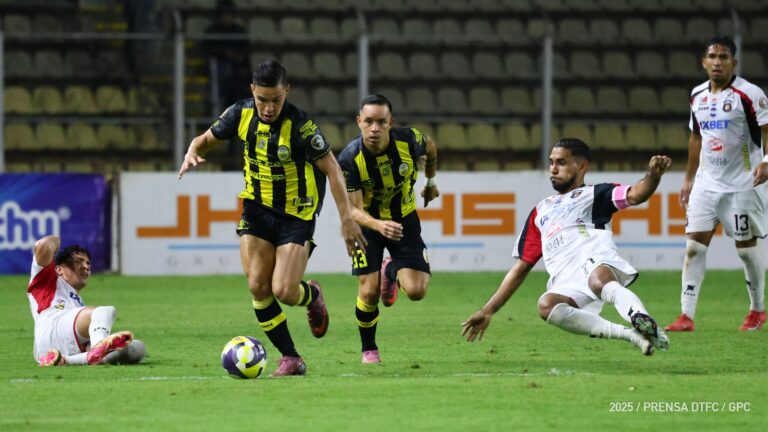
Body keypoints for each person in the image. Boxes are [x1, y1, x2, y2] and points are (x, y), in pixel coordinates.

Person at [178, 60, 366, 376]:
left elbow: (333, 169)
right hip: (257, 208)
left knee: (285, 291)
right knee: (257, 285)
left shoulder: (302, 126)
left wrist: (346, 219)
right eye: (262, 99)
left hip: (297, 214)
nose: (268, 107)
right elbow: (205, 139)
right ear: (253, 91)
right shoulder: (240, 113)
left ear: (286, 92)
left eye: (275, 100)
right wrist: (192, 150)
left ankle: (313, 295)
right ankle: (291, 357)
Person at [462, 139, 671, 356]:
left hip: (594, 258)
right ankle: (630, 335)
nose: (553, 169)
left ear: (582, 166)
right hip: (566, 277)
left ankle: (641, 318)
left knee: (599, 281)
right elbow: (521, 267)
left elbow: (636, 194)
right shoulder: (540, 211)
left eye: (561, 162)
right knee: (546, 305)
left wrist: (653, 175)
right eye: (551, 162)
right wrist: (488, 310)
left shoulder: (597, 194)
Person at [666, 35, 768, 332]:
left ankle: (758, 310)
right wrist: (688, 178)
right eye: (712, 56)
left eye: (723, 57)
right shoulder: (697, 95)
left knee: (746, 250)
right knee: (694, 247)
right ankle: (686, 315)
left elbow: (766, 130)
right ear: (703, 62)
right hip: (706, 183)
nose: (717, 62)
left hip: (743, 182)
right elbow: (696, 137)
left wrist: (766, 161)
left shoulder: (749, 94)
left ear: (733, 63)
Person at [337, 94, 439, 364]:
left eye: (381, 122)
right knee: (368, 291)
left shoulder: (408, 140)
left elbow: (430, 147)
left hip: (404, 220)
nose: (374, 128)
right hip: (367, 226)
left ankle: (391, 270)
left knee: (417, 291)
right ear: (359, 122)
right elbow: (352, 209)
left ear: (390, 122)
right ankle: (368, 349)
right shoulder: (349, 159)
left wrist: (430, 181)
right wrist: (378, 225)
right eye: (368, 121)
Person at [28, 236, 145, 367]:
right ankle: (98, 347)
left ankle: (66, 360)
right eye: (79, 261)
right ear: (59, 269)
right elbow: (43, 245)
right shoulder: (46, 279)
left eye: (88, 263)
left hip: (54, 351)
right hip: (51, 329)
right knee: (105, 311)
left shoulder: (77, 304)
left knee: (136, 348)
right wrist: (57, 240)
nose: (86, 267)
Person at [203, 0, 251, 116]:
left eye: (230, 15)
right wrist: (224, 54)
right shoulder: (212, 31)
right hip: (218, 70)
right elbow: (207, 49)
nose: (227, 18)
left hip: (237, 72)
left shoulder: (239, 31)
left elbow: (245, 51)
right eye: (225, 14)